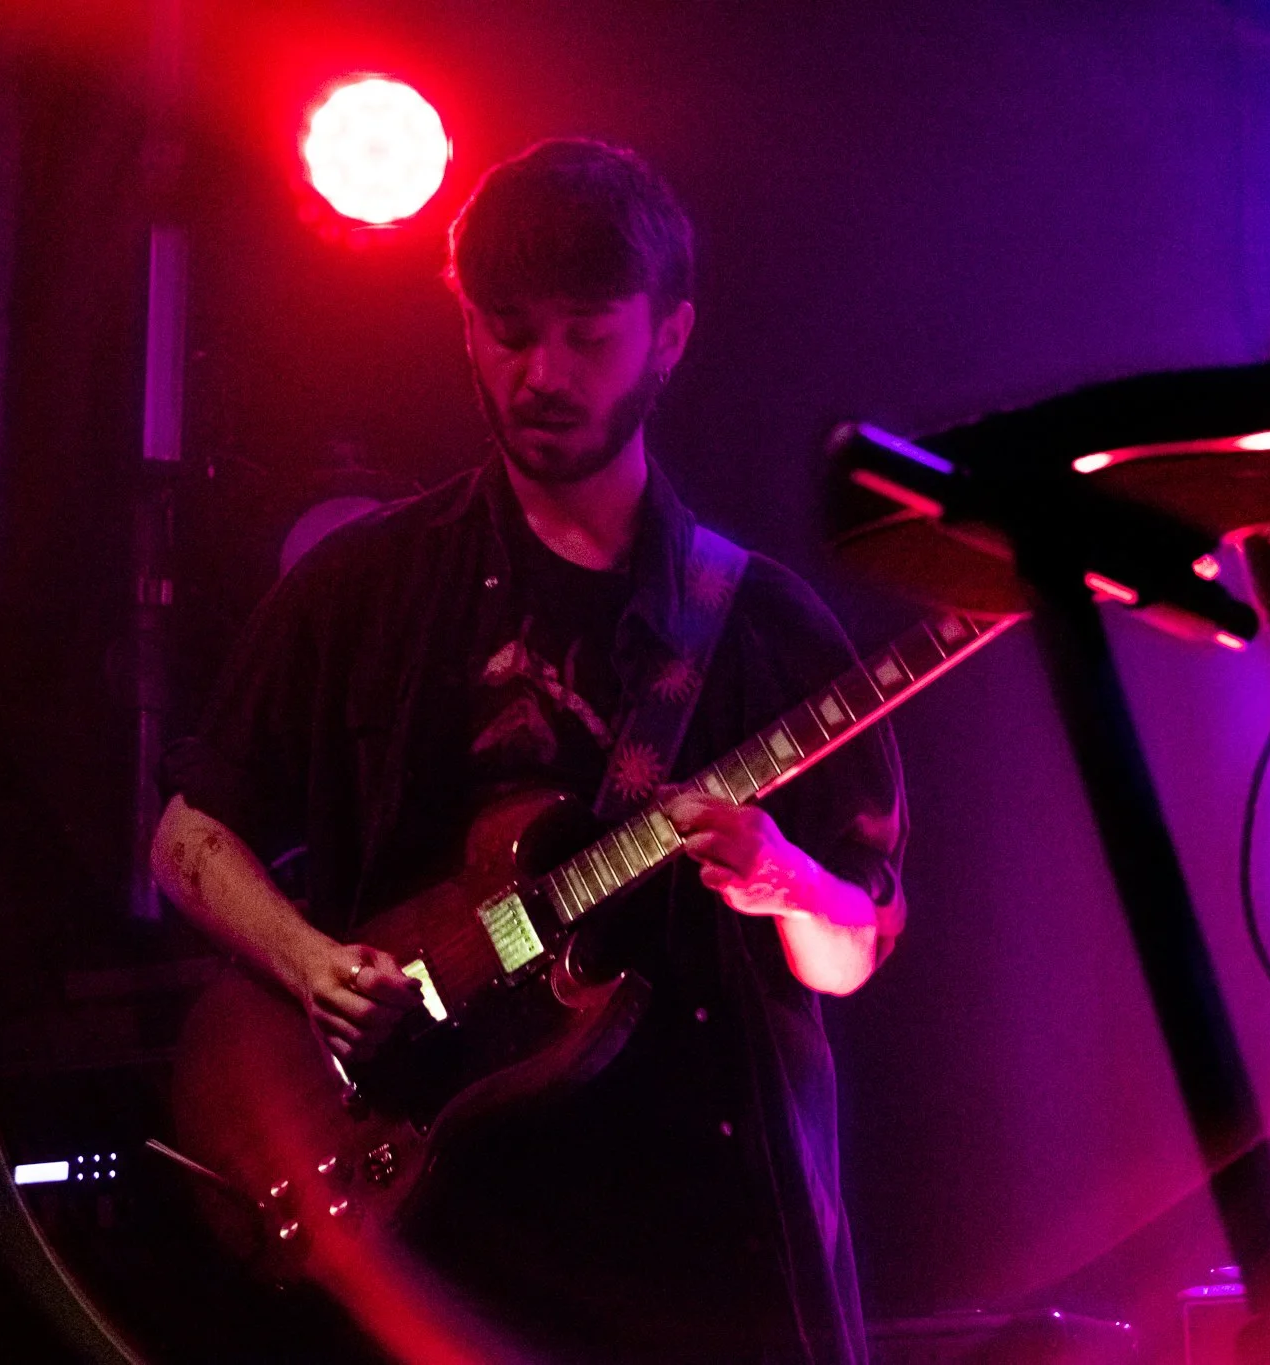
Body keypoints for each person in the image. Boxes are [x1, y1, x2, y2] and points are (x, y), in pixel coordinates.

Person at [151, 137, 906, 1364]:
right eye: (506, 330)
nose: (540, 372)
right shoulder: (360, 589)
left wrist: (790, 886)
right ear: (461, 326)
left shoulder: (763, 625)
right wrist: (305, 961)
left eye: (585, 335)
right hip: (418, 1241)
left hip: (697, 1253)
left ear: (668, 336)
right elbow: (188, 834)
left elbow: (851, 950)